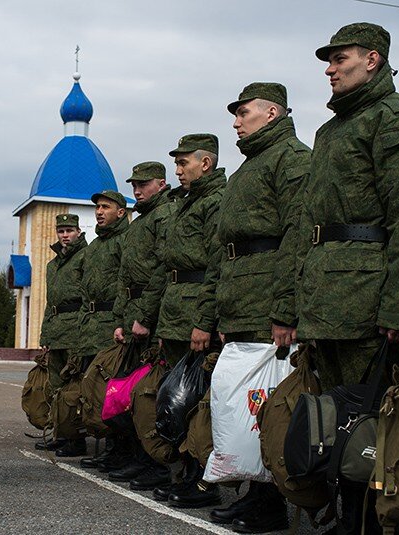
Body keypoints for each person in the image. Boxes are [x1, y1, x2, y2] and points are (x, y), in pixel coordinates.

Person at [296, 24, 399, 534]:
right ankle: (347, 513)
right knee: (339, 419)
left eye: (340, 59)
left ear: (373, 60)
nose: (330, 69)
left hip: (369, 299)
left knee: (374, 422)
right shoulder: (333, 130)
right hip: (329, 295)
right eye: (329, 61)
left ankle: (373, 522)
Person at [201, 82, 310, 532]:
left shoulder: (292, 159)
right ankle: (254, 494)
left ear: (271, 113)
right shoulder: (251, 166)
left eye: (243, 112)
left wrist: (285, 308)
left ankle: (270, 504)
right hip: (243, 303)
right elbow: (231, 249)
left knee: (269, 406)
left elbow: (297, 236)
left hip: (268, 305)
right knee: (246, 407)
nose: (235, 121)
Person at [152, 134, 226, 506]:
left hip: (197, 307)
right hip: (177, 310)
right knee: (178, 398)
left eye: (183, 163)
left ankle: (203, 481)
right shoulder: (186, 202)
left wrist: (205, 319)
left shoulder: (214, 202)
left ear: (206, 163)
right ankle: (185, 473)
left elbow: (215, 264)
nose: (178, 170)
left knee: (199, 402)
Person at [105, 162, 175, 489]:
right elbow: (125, 276)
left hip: (152, 318)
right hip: (133, 318)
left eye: (143, 184)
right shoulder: (140, 221)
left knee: (150, 395)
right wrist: (122, 319)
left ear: (161, 184)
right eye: (133, 185)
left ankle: (156, 463)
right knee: (131, 394)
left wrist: (146, 318)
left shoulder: (164, 216)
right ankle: (138, 458)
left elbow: (163, 270)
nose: (136, 190)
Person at [57, 190, 129, 458]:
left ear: (120, 212)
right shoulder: (95, 248)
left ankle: (117, 449)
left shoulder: (125, 241)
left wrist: (121, 321)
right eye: (97, 207)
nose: (99, 212)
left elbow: (126, 284)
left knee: (112, 392)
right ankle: (101, 443)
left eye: (105, 207)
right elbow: (84, 293)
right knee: (91, 391)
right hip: (89, 328)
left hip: (111, 326)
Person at [35, 214, 87, 452]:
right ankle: (60, 433)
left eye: (69, 230)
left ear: (78, 231)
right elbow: (50, 303)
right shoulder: (53, 265)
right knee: (56, 385)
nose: (65, 235)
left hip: (75, 328)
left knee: (74, 387)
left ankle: (76, 439)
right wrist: (45, 335)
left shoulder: (85, 257)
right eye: (61, 231)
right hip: (56, 330)